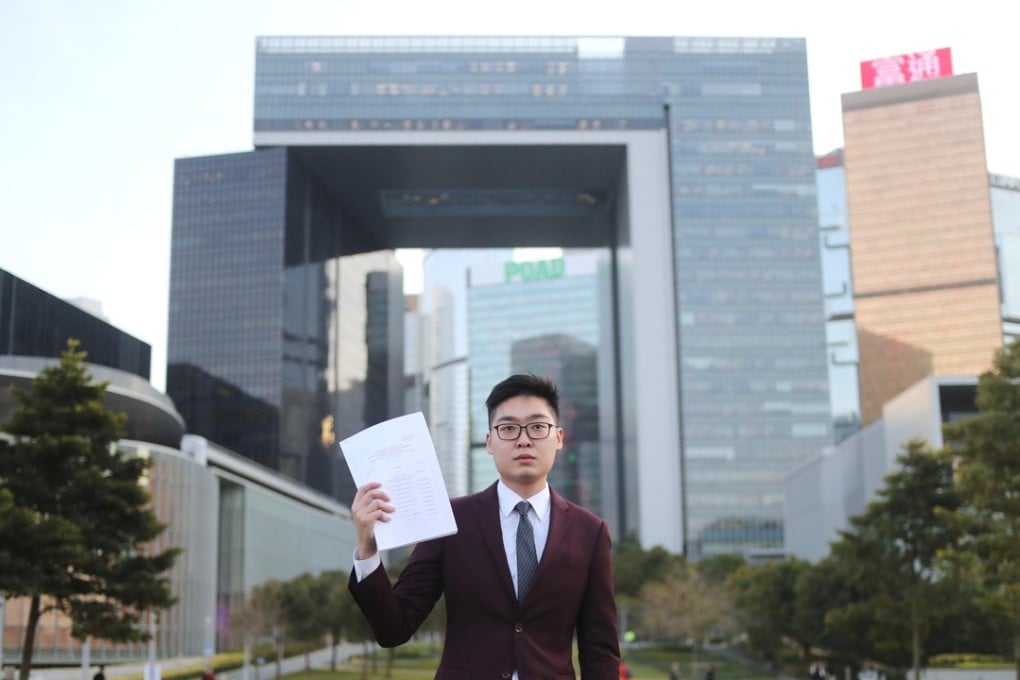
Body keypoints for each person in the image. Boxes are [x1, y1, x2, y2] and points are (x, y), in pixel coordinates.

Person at [348, 374, 621, 678]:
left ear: (558, 438)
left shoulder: (590, 531)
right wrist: (368, 550)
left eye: (537, 426)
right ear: (489, 442)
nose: (523, 439)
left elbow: (600, 649)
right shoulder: (450, 520)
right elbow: (393, 629)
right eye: (508, 428)